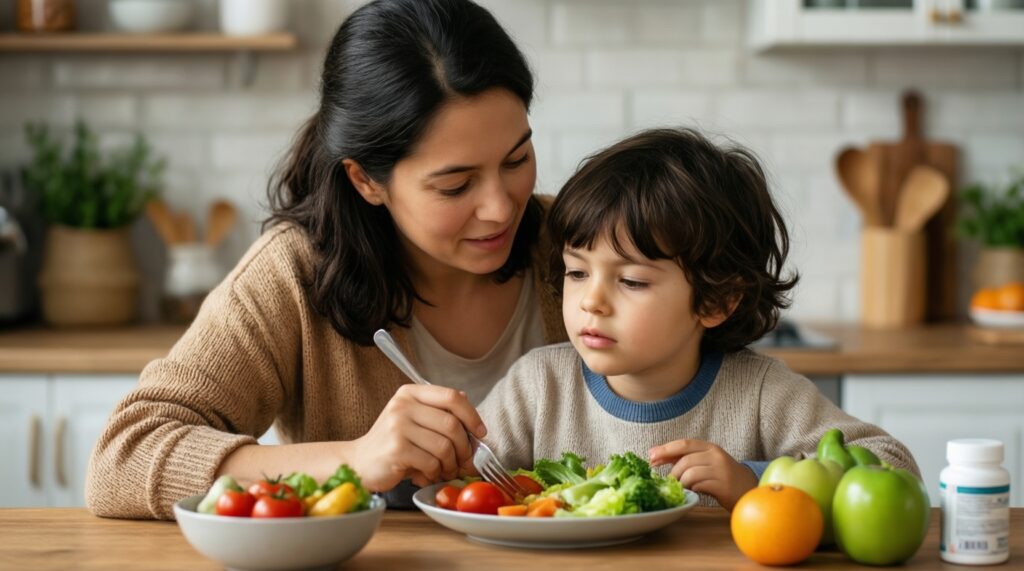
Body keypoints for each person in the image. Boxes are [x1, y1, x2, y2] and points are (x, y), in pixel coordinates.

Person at [86, 0, 567, 520]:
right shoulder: (295, 274)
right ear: (365, 181)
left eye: (516, 159)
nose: (500, 208)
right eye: (455, 186)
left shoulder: (580, 243)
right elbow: (121, 460)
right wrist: (353, 459)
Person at [477, 128, 919, 511]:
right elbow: (451, 479)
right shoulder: (537, 386)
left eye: (631, 281)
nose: (591, 301)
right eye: (577, 272)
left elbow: (893, 467)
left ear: (716, 300)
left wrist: (757, 480)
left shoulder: (761, 392)